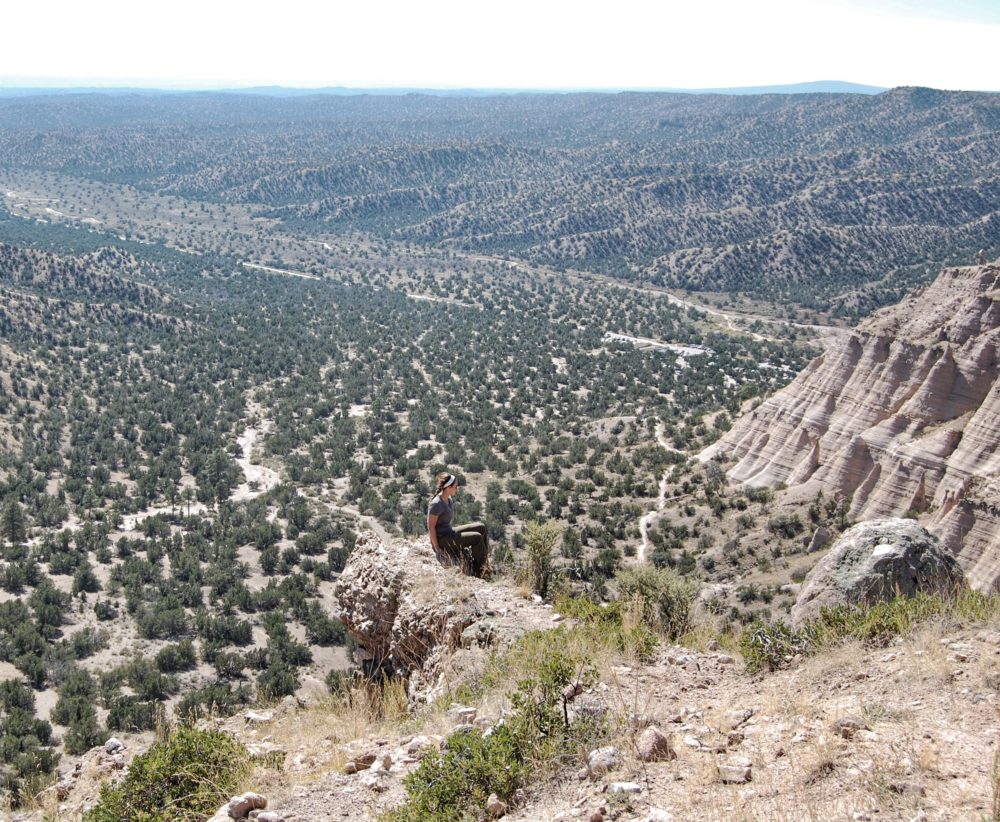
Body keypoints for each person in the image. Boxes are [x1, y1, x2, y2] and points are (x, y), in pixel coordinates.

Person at [427, 472, 489, 577]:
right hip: (443, 539)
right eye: (455, 487)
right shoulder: (437, 504)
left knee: (481, 527)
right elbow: (431, 526)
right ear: (448, 487)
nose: (457, 489)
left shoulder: (448, 499)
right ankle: (479, 571)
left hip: (449, 532)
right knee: (477, 538)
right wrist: (437, 548)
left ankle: (483, 563)